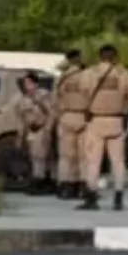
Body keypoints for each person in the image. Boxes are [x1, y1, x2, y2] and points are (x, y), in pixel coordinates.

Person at [78, 44, 128, 210]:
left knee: (93, 161)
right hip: (116, 121)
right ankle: (118, 197)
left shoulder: (89, 73)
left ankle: (91, 198)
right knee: (118, 162)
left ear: (100, 57)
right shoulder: (123, 74)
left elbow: (82, 91)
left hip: (96, 121)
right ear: (115, 58)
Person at [53, 49, 90, 201]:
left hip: (66, 115)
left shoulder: (62, 78)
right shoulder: (87, 77)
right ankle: (82, 187)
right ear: (79, 59)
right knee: (83, 156)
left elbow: (54, 100)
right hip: (83, 116)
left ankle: (66, 187)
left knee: (66, 156)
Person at [15, 72, 55, 192]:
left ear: (35, 83)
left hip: (42, 128)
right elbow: (21, 117)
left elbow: (51, 113)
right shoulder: (22, 99)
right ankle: (37, 179)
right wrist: (20, 135)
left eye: (29, 83)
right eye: (25, 83)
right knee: (34, 156)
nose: (27, 86)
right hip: (31, 130)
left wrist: (48, 128)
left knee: (41, 156)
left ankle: (42, 181)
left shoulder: (44, 95)